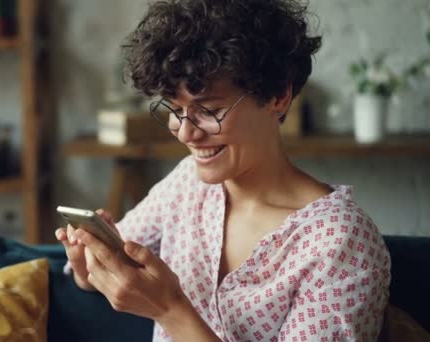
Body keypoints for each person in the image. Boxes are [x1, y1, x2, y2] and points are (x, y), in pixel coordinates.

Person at [56, 0, 391, 341]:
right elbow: (103, 271)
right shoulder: (187, 184)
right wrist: (89, 266)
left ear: (278, 95)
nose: (186, 132)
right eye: (175, 109)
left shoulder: (339, 242)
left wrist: (170, 310)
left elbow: (164, 307)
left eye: (209, 111)